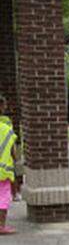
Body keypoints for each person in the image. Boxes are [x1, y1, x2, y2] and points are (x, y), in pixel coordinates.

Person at [0, 96, 19, 235]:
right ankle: (1, 226)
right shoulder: (7, 129)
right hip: (3, 171)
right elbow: (14, 153)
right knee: (3, 198)